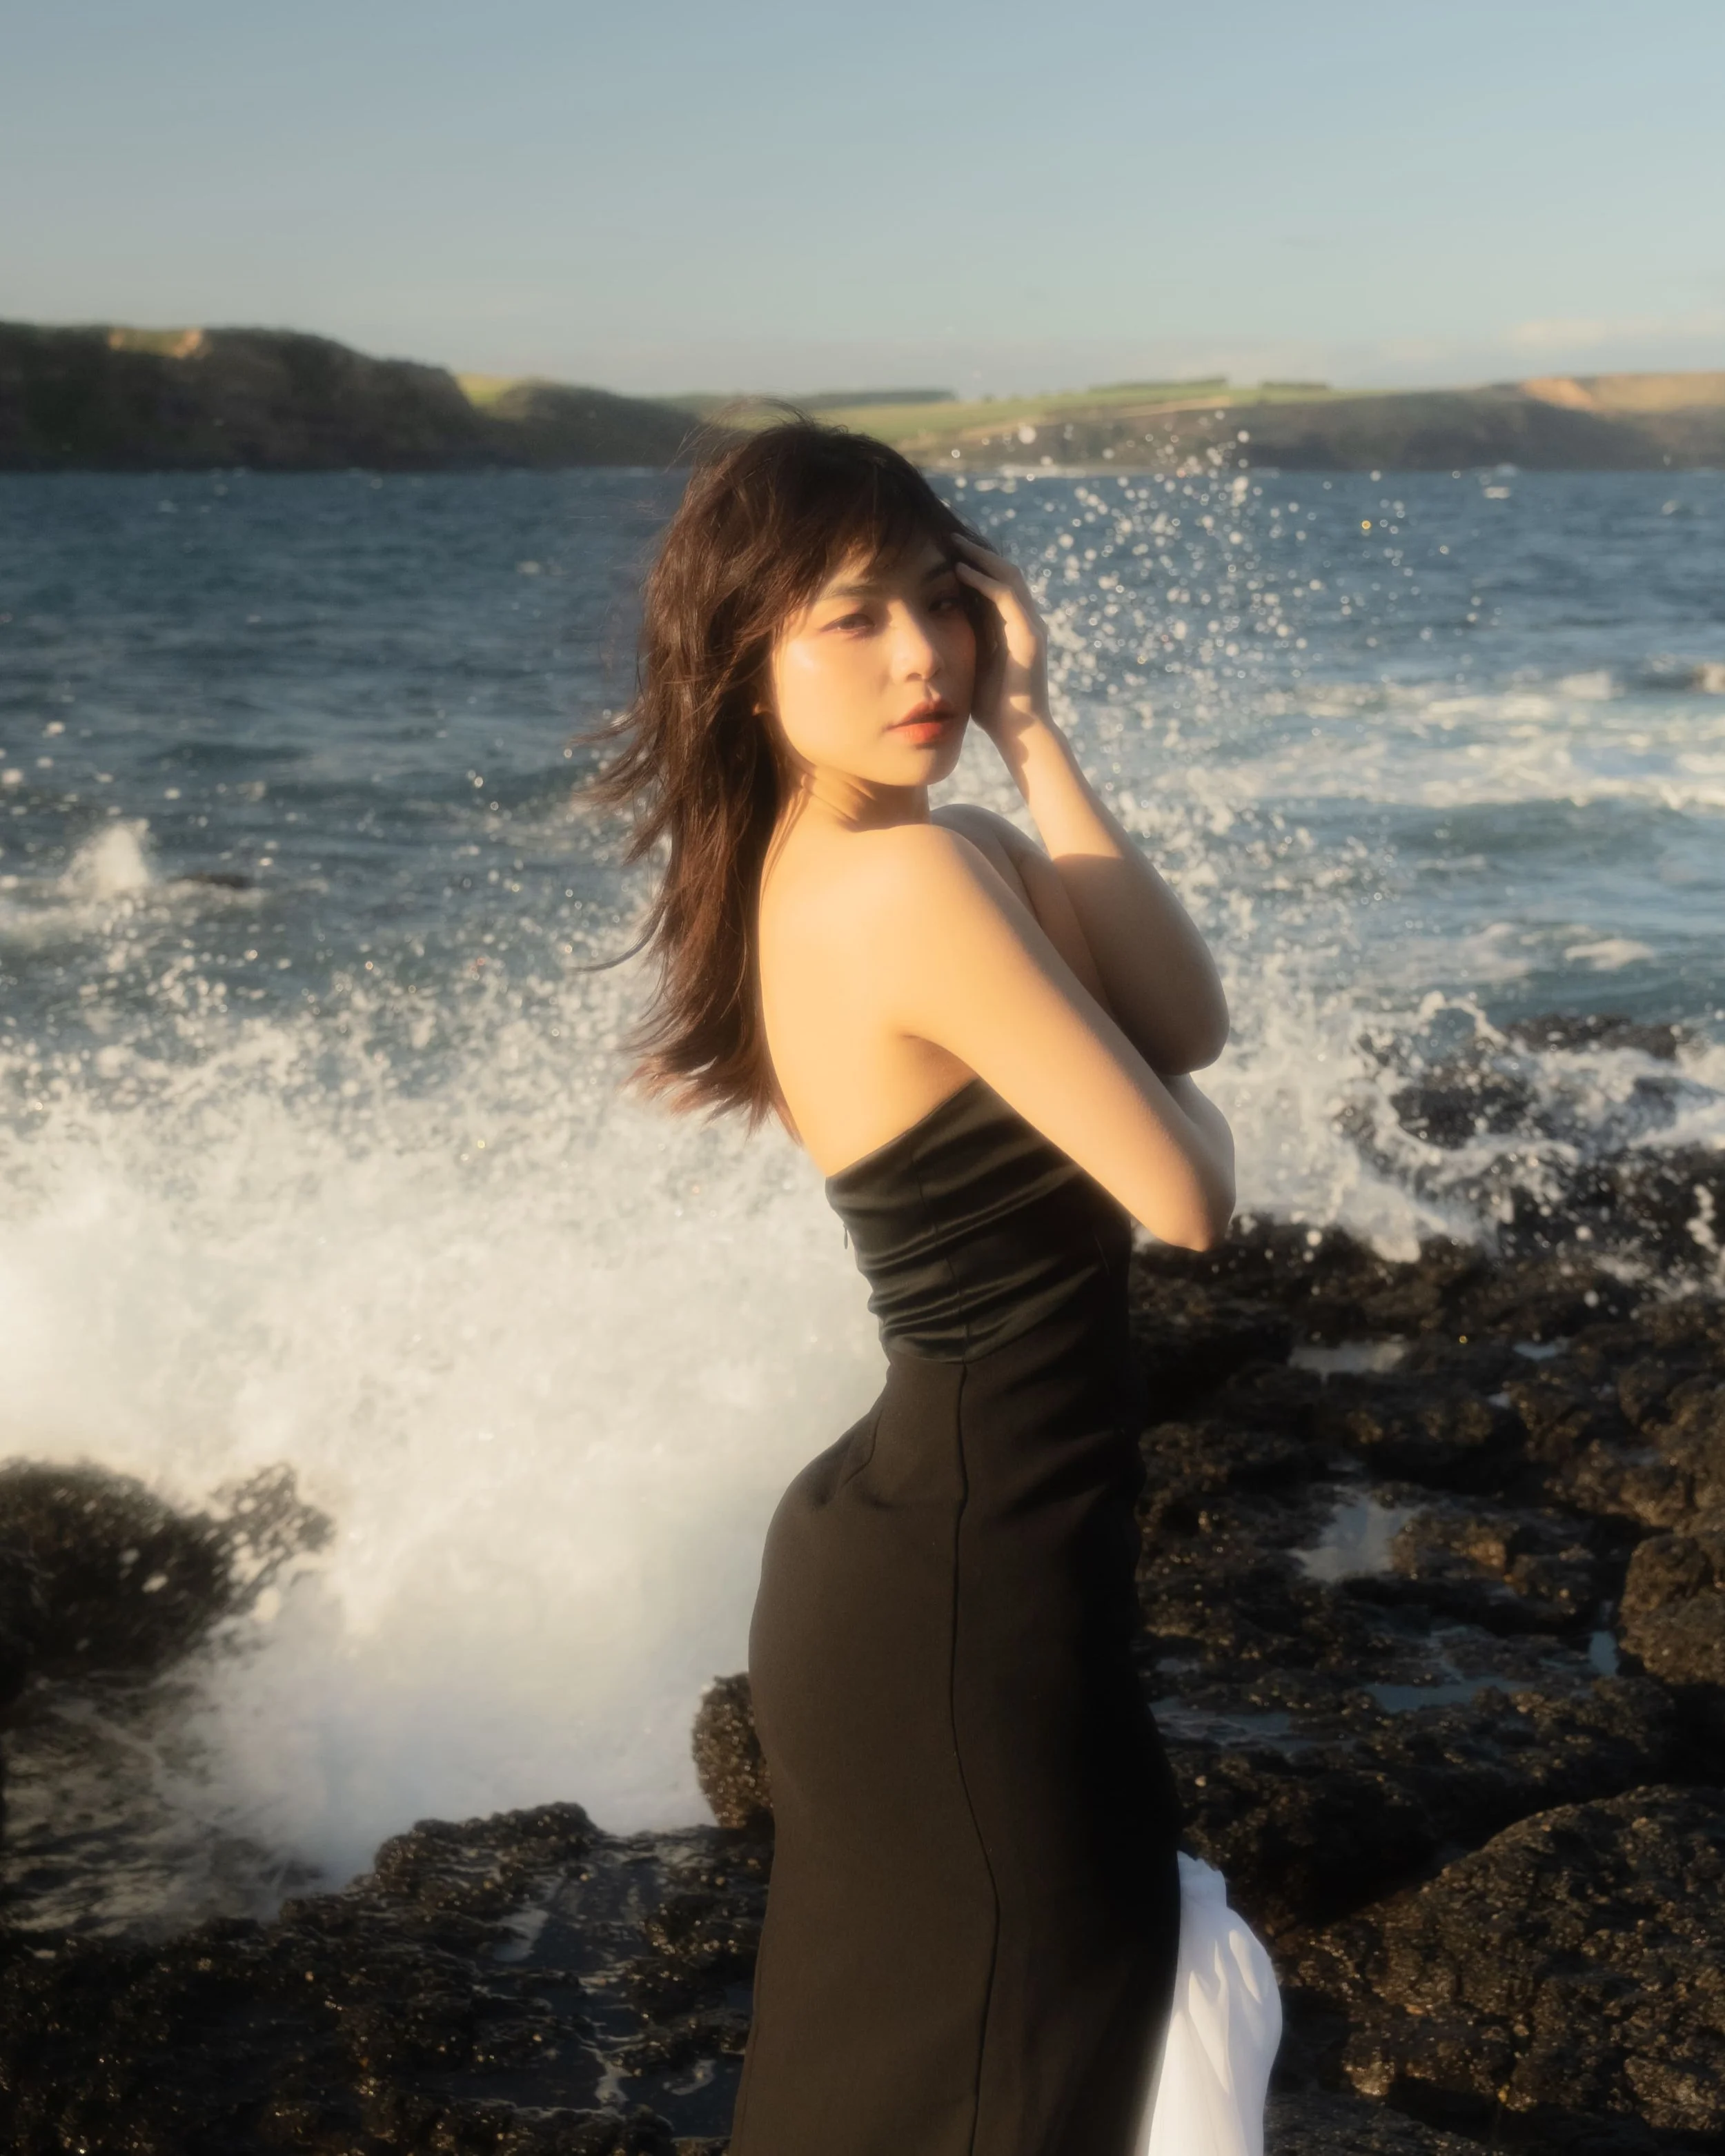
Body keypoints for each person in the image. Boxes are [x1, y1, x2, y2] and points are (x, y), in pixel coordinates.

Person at [582, 421, 1243, 2156]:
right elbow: (1185, 1191)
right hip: (968, 1586)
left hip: (945, 1559)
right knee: (1025, 2074)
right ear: (744, 665)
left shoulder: (870, 861)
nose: (922, 656)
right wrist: (1161, 1097)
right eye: (851, 619)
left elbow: (1185, 1023)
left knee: (927, 2086)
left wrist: (1032, 731)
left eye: (939, 603)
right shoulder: (910, 881)